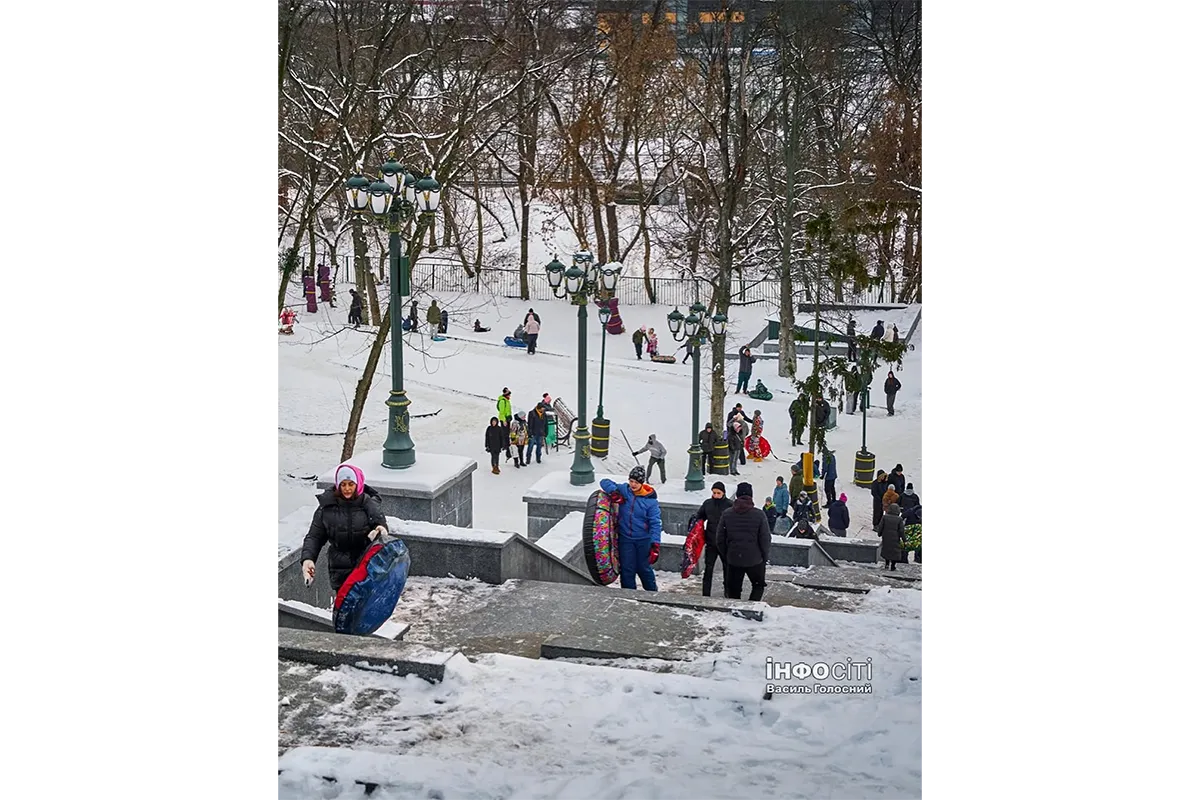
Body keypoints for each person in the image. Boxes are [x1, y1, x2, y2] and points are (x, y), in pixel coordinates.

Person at [300, 463, 389, 593]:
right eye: (343, 484)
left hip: (366, 566)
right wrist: (308, 559)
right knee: (344, 607)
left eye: (351, 484)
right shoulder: (327, 507)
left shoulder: (369, 503)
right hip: (339, 568)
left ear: (358, 484)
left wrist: (380, 530)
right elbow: (314, 536)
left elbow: (379, 523)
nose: (347, 488)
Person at [600, 466, 662, 591]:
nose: (633, 484)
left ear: (642, 483)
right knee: (627, 568)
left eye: (636, 482)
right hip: (626, 538)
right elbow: (604, 482)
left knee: (643, 567)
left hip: (643, 539)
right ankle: (628, 595)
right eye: (631, 481)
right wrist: (614, 492)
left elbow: (655, 523)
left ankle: (652, 593)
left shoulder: (650, 502)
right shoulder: (624, 490)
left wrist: (655, 544)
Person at [716, 482, 771, 601]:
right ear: (751, 496)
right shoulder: (759, 514)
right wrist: (764, 556)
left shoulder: (727, 514)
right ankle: (751, 610)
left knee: (734, 590)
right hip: (755, 559)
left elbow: (719, 539)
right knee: (758, 586)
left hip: (734, 558)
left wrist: (727, 555)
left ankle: (736, 612)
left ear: (737, 496)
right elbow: (765, 538)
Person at [696, 481, 733, 597]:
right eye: (714, 493)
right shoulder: (708, 504)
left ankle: (728, 592)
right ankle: (706, 594)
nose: (716, 495)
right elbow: (700, 517)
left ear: (723, 493)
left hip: (725, 544)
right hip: (711, 542)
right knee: (708, 569)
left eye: (718, 493)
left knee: (727, 570)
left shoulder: (729, 505)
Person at [876, 502, 905, 570]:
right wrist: (904, 539)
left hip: (886, 536)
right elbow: (901, 530)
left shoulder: (885, 517)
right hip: (895, 537)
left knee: (887, 549)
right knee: (895, 551)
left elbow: (881, 526)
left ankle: (886, 564)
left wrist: (879, 533)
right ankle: (893, 565)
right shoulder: (899, 519)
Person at [497, 388, 513, 460]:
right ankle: (505, 445)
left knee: (507, 432)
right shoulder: (503, 401)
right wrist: (504, 420)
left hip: (507, 418)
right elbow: (501, 412)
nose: (510, 396)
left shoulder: (507, 400)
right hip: (504, 419)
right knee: (505, 433)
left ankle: (506, 445)